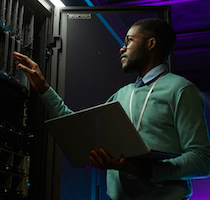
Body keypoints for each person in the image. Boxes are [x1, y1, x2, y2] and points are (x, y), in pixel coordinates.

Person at [13, 18, 210, 200]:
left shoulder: (181, 90)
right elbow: (81, 130)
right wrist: (43, 88)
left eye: (130, 40)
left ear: (151, 44)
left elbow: (202, 160)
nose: (122, 48)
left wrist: (145, 170)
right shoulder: (122, 95)